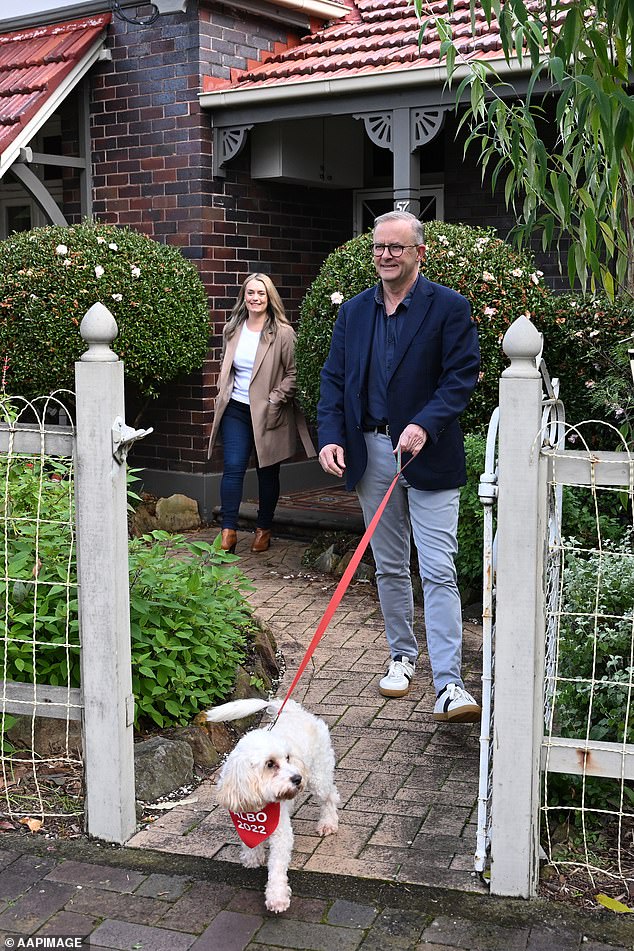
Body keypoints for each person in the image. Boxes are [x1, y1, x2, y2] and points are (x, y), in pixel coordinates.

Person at [317, 211, 481, 722]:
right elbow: (333, 379)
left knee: (437, 569)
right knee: (388, 565)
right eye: (379, 247)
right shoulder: (355, 313)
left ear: (419, 253)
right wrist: (330, 438)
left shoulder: (449, 308)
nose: (385, 255)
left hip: (429, 457)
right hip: (372, 456)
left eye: (396, 247)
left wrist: (425, 424)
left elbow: (462, 377)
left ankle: (450, 684)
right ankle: (402, 656)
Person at [208, 273, 314, 554]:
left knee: (267, 472)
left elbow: (295, 373)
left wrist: (275, 399)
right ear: (244, 296)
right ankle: (228, 532)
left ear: (270, 298)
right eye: (251, 293)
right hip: (236, 409)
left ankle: (263, 528)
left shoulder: (282, 332)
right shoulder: (233, 328)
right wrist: (222, 391)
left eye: (261, 293)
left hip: (269, 412)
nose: (255, 298)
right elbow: (226, 365)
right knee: (232, 467)